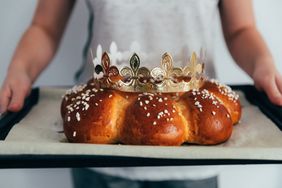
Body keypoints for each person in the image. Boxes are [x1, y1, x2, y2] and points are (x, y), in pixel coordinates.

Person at [0, 0, 282, 188]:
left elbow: (241, 29)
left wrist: (263, 65)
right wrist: (21, 71)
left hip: (196, 162)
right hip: (97, 151)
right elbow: (45, 28)